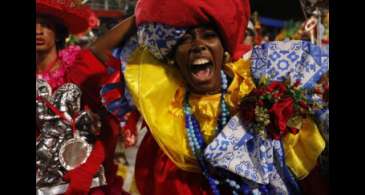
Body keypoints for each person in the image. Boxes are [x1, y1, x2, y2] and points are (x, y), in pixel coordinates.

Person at [75, 0, 329, 194]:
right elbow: (91, 58)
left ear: (224, 49)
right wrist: (151, 15)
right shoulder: (164, 115)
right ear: (174, 57)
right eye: (184, 40)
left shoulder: (255, 88)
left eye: (208, 36)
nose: (197, 45)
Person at [36, 0, 126, 194]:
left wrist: (142, 13)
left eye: (46, 25)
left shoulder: (79, 68)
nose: (38, 31)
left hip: (82, 181)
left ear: (59, 33)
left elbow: (105, 45)